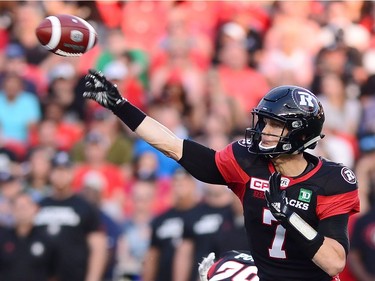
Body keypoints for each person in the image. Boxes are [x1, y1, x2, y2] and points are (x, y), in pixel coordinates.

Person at [83, 69, 360, 280]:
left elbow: (335, 262)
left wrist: (289, 216)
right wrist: (120, 106)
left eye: (276, 125)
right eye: (264, 122)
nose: (263, 131)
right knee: (225, 268)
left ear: (301, 133)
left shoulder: (331, 181)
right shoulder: (247, 161)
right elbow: (173, 146)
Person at [34, 150, 107, 281]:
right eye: (57, 170)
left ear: (72, 173)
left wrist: (93, 278)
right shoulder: (39, 205)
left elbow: (98, 247)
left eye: (65, 170)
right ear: (50, 173)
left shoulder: (84, 206)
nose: (61, 175)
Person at [0, 192, 56, 281]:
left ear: (35, 209)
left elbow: (54, 274)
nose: (22, 211)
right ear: (12, 210)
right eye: (19, 207)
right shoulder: (3, 238)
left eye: (26, 207)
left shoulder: (46, 239)